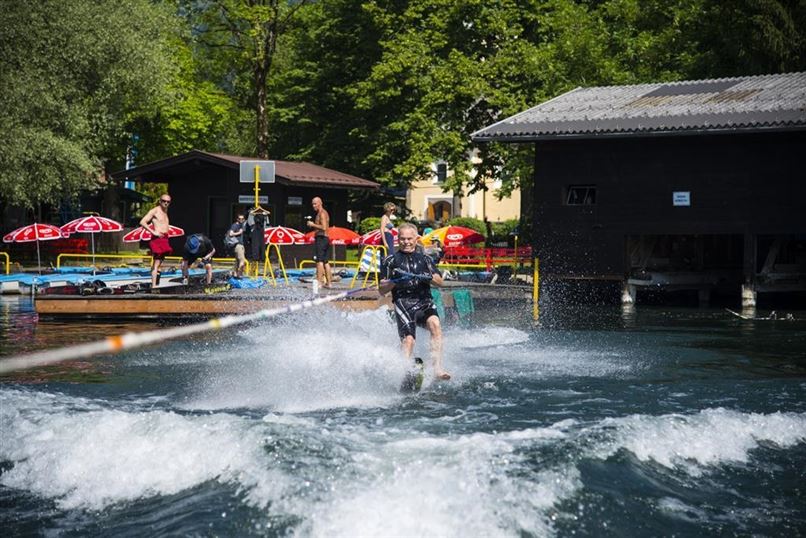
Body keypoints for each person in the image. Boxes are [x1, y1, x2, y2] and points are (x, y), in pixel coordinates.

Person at [379, 222, 451, 380]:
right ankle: (404, 372)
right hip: (404, 303)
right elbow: (382, 290)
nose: (406, 242)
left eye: (409, 238)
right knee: (409, 340)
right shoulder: (389, 261)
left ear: (416, 238)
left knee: (435, 325)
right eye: (403, 239)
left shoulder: (425, 259)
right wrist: (394, 281)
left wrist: (429, 277)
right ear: (398, 239)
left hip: (424, 300)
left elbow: (440, 282)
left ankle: (437, 368)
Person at [139, 194, 172, 289]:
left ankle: (156, 283)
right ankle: (154, 286)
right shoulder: (154, 211)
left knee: (160, 262)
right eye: (164, 201)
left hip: (165, 238)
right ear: (160, 201)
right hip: (157, 239)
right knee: (156, 263)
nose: (166, 203)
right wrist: (153, 232)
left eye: (168, 202)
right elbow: (142, 222)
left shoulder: (165, 211)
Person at [307, 196, 332, 288]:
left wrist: (312, 224)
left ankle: (319, 283)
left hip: (322, 238)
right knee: (326, 261)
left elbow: (324, 227)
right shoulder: (321, 213)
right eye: (312, 204)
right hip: (324, 239)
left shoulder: (322, 213)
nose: (313, 206)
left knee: (319, 261)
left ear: (320, 203)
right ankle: (329, 283)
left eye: (315, 204)